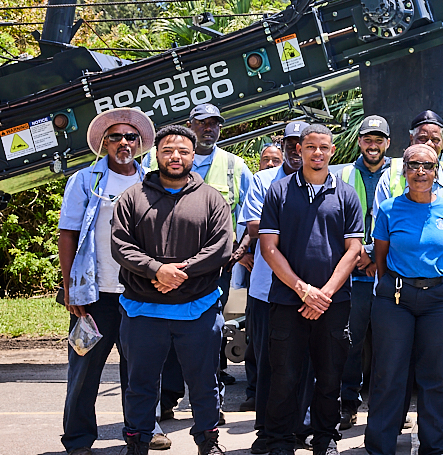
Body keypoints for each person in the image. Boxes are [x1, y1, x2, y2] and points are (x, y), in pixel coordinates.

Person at [111, 124, 233, 455]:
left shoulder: (210, 198)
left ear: (193, 156)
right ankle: (137, 442)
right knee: (140, 385)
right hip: (142, 310)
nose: (175, 156)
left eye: (182, 151)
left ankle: (208, 442)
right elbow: (121, 245)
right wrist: (156, 270)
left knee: (205, 384)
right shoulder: (133, 197)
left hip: (198, 309)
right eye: (167, 151)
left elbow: (222, 247)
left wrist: (180, 273)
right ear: (155, 155)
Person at [146, 104, 252, 430]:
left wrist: (238, 253)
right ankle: (167, 397)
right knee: (166, 333)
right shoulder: (155, 161)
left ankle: (210, 403)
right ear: (190, 125)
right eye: (202, 123)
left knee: (210, 335)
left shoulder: (235, 166)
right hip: (165, 271)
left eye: (214, 124)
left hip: (214, 272)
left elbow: (250, 220)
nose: (209, 128)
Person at [259, 124, 363, 455]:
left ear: (332, 151)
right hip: (288, 302)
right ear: (300, 150)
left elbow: (354, 250)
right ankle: (278, 439)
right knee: (285, 376)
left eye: (323, 147)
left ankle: (325, 439)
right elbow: (268, 247)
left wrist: (325, 294)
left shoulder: (346, 194)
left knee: (330, 377)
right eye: (310, 147)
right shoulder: (279, 191)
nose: (317, 153)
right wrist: (303, 290)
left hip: (334, 303)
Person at [58, 107, 153, 455]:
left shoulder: (150, 182)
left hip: (139, 294)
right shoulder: (84, 181)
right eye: (116, 137)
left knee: (139, 372)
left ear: (139, 143)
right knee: (84, 370)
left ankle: (140, 433)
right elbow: (68, 234)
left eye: (130, 137)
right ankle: (79, 440)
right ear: (103, 143)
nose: (124, 143)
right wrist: (70, 288)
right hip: (94, 294)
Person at [364, 144, 443, 455]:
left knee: (435, 375)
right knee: (389, 373)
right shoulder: (388, 210)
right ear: (404, 171)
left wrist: (438, 285)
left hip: (438, 301)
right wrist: (401, 283)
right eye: (413, 165)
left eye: (427, 165)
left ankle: (433, 444)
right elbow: (380, 258)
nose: (420, 171)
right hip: (395, 299)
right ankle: (380, 445)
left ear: (436, 172)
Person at [241, 121, 311, 454]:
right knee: (271, 362)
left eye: (304, 142)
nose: (297, 149)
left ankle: (300, 427)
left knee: (306, 362)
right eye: (292, 142)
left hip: (311, 290)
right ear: (283, 145)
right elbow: (255, 226)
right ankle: (268, 431)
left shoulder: (326, 179)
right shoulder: (263, 180)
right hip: (267, 289)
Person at [333, 115, 392, 432]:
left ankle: (384, 408)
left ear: (387, 143)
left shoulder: (400, 172)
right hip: (354, 277)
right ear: (359, 142)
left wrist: (372, 254)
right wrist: (360, 256)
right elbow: (335, 222)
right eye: (368, 139)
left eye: (378, 139)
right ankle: (347, 405)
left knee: (388, 347)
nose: (373, 145)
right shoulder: (342, 174)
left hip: (387, 275)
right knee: (351, 344)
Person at [372, 110, 443, 213]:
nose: (429, 144)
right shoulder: (391, 174)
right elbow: (379, 220)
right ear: (412, 139)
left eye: (435, 140)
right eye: (422, 138)